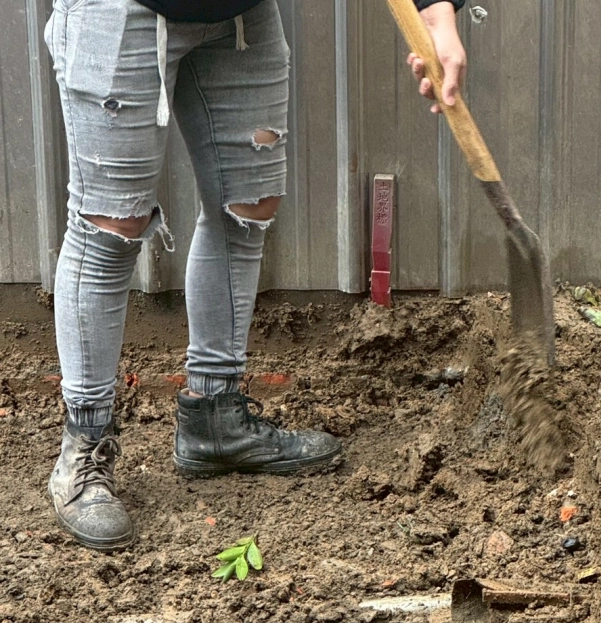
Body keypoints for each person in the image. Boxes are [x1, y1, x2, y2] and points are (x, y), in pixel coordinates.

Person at [44, 0, 467, 551]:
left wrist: (437, 10)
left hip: (238, 17)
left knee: (247, 207)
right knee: (112, 225)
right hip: (121, 10)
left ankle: (214, 417)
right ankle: (85, 443)